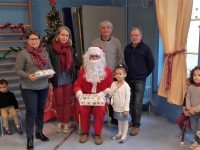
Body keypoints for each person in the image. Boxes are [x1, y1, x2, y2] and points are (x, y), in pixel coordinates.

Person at [15, 30, 53, 150]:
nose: (34, 41)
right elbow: (18, 70)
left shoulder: (44, 52)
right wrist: (28, 76)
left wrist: (50, 74)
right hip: (28, 88)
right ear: (28, 40)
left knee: (40, 111)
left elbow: (50, 67)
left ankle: (39, 132)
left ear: (39, 40)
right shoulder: (23, 54)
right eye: (32, 39)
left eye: (36, 38)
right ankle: (29, 138)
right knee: (31, 112)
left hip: (43, 86)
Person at [74, 46, 113, 145]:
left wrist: (104, 93)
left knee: (99, 110)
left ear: (101, 58)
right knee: (83, 109)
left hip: (101, 97)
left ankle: (97, 134)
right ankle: (85, 132)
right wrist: (80, 94)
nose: (94, 58)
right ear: (88, 57)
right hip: (86, 97)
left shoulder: (107, 71)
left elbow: (111, 86)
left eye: (97, 56)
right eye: (92, 56)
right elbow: (77, 85)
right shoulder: (83, 70)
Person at [46, 26, 78, 134]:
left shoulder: (71, 48)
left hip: (68, 78)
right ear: (58, 35)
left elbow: (74, 64)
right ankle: (60, 121)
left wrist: (75, 79)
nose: (64, 37)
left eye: (67, 35)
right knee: (59, 102)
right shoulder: (50, 48)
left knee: (67, 101)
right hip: (56, 79)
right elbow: (47, 65)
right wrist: (49, 81)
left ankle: (66, 122)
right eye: (62, 35)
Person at [124, 27, 155, 136]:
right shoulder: (127, 48)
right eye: (132, 35)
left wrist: (144, 75)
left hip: (140, 80)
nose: (134, 37)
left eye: (136, 35)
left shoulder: (146, 49)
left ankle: (136, 125)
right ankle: (133, 120)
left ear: (141, 36)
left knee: (137, 103)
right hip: (129, 79)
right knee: (131, 102)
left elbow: (151, 64)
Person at [91, 20, 123, 125]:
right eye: (103, 28)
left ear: (111, 30)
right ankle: (100, 116)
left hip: (113, 75)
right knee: (102, 96)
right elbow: (92, 58)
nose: (106, 30)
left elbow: (120, 58)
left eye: (108, 28)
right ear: (100, 30)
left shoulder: (116, 42)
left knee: (114, 97)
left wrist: (118, 72)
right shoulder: (95, 42)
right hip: (99, 75)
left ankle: (114, 118)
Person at [107, 64, 130, 143]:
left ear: (125, 75)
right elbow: (110, 93)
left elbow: (127, 98)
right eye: (116, 74)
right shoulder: (114, 84)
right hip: (116, 106)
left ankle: (124, 135)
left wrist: (126, 109)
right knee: (119, 120)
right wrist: (115, 87)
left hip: (123, 108)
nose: (118, 75)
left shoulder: (126, 86)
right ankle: (119, 133)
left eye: (120, 74)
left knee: (124, 121)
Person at [186, 66, 200, 150]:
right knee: (194, 127)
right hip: (192, 113)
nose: (196, 77)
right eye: (194, 75)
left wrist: (195, 109)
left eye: (199, 75)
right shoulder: (191, 87)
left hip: (198, 112)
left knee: (199, 128)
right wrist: (189, 108)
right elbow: (187, 98)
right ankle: (196, 141)